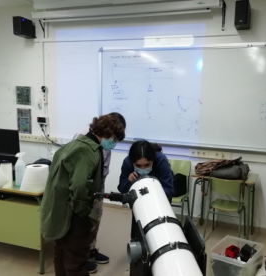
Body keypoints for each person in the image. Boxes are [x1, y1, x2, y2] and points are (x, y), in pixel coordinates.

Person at [41, 114, 125, 276]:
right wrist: (84, 213)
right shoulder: (88, 152)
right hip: (73, 214)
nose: (113, 144)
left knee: (60, 253)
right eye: (114, 139)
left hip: (58, 212)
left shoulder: (74, 144)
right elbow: (79, 186)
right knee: (76, 262)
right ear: (107, 133)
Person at [73, 112, 126, 274]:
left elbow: (103, 163)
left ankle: (91, 250)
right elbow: (79, 172)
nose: (115, 141)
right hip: (86, 185)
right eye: (115, 136)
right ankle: (81, 257)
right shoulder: (83, 137)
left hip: (98, 183)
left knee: (96, 217)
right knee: (83, 222)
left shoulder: (106, 140)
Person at [118, 140, 174, 240]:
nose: (143, 169)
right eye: (138, 166)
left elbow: (169, 190)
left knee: (160, 236)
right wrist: (129, 181)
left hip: (160, 204)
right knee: (139, 235)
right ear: (133, 162)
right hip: (139, 205)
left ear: (153, 160)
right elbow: (122, 189)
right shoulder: (128, 162)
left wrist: (151, 192)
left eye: (147, 165)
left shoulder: (161, 160)